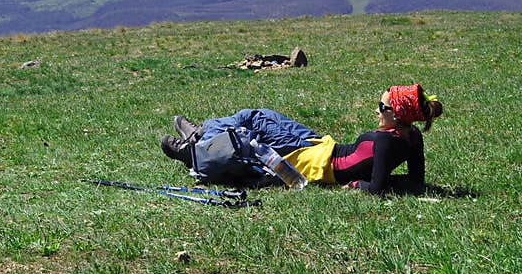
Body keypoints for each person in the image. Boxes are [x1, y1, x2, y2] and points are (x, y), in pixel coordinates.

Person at [160, 83, 443, 195]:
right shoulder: (412, 136)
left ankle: (196, 147)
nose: (377, 110)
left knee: (248, 126)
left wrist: (356, 183)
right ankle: (201, 134)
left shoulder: (385, 142)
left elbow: (377, 187)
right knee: (258, 115)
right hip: (320, 145)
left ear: (399, 114)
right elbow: (415, 180)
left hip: (308, 160)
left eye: (382, 108)